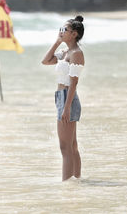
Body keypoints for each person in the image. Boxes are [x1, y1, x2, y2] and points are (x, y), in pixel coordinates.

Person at [41, 16, 85, 181]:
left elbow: (74, 83)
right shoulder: (66, 52)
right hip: (61, 97)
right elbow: (45, 61)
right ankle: (76, 181)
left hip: (68, 98)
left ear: (74, 34)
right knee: (71, 146)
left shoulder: (77, 54)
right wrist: (57, 42)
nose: (61, 31)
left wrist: (66, 108)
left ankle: (67, 185)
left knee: (65, 147)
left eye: (64, 30)